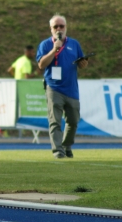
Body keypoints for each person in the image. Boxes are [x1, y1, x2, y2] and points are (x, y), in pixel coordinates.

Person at [37, 15, 88, 159]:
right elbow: (41, 65)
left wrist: (83, 64)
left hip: (71, 88)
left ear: (66, 27)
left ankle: (66, 145)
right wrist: (54, 50)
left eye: (61, 26)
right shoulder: (45, 44)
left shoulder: (74, 44)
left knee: (73, 121)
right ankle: (58, 150)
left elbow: (81, 62)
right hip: (54, 88)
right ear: (51, 29)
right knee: (55, 121)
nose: (59, 29)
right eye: (56, 27)